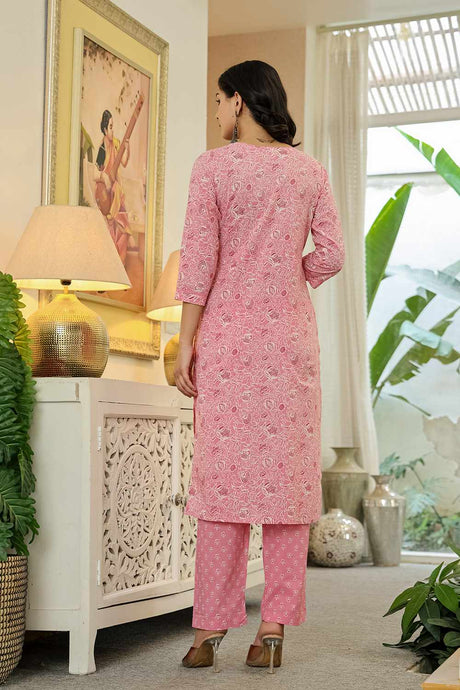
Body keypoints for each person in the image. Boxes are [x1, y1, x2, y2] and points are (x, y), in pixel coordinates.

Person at [174, 60, 345, 674]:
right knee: (285, 486)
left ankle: (207, 631)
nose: (217, 111)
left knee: (223, 484)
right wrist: (289, 277)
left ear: (240, 102)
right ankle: (271, 631)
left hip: (228, 340)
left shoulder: (212, 167)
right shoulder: (310, 171)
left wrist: (185, 341)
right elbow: (333, 253)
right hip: (289, 341)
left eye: (219, 100)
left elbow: (199, 260)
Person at [94, 109, 133, 264]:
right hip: (106, 194)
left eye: (113, 126)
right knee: (110, 228)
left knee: (124, 228)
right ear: (104, 129)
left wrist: (127, 148)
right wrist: (105, 181)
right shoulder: (102, 149)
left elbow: (124, 162)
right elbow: (97, 172)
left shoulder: (116, 143)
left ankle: (119, 262)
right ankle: (111, 262)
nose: (112, 130)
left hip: (116, 191)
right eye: (110, 127)